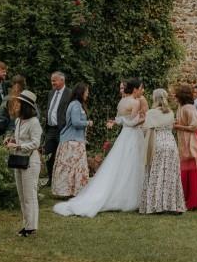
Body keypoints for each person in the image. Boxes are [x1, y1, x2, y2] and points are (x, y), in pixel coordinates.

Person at [55, 78, 148, 217]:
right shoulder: (134, 102)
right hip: (133, 135)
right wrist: (144, 119)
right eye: (140, 87)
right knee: (132, 165)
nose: (142, 90)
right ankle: (130, 196)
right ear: (135, 89)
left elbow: (119, 119)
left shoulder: (122, 101)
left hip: (124, 136)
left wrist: (123, 121)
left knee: (121, 164)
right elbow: (132, 122)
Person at [139, 88, 185, 215]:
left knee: (156, 173)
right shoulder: (170, 112)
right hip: (170, 143)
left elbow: (145, 129)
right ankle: (172, 205)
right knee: (171, 175)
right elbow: (171, 127)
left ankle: (155, 206)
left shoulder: (151, 112)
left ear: (154, 98)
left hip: (157, 143)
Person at [4, 91, 42, 237]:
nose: (16, 105)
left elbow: (35, 143)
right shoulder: (19, 121)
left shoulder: (34, 122)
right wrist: (10, 140)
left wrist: (19, 147)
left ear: (26, 106)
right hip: (18, 160)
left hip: (31, 162)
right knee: (21, 195)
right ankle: (26, 225)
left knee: (29, 195)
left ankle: (31, 227)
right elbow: (18, 138)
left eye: (19, 103)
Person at [173, 83, 197, 210]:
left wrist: (179, 126)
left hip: (193, 140)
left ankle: (193, 200)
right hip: (185, 139)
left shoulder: (189, 108)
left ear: (181, 96)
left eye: (176, 95)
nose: (175, 97)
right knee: (186, 168)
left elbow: (196, 125)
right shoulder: (182, 107)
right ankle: (185, 197)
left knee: (193, 168)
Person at [51, 83, 90, 198]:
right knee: (72, 167)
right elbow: (76, 122)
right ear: (81, 92)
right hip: (72, 141)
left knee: (71, 167)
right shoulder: (76, 105)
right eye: (87, 91)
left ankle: (71, 191)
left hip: (75, 140)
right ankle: (70, 191)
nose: (88, 94)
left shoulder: (76, 104)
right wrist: (88, 123)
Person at [42, 71, 72, 184]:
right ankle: (51, 179)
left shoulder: (69, 93)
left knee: (62, 155)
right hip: (50, 129)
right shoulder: (51, 93)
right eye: (51, 80)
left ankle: (61, 180)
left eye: (54, 80)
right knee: (48, 154)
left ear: (62, 80)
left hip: (62, 129)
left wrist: (66, 124)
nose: (52, 82)